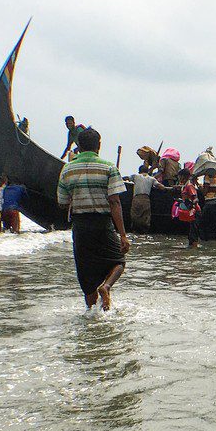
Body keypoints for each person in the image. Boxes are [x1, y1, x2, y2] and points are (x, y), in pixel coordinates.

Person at [57, 127, 130, 310]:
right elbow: (115, 203)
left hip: (81, 226)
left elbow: (62, 203)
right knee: (118, 261)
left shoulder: (67, 169)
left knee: (86, 276)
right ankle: (106, 287)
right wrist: (122, 235)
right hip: (103, 223)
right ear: (99, 145)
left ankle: (92, 316)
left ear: (79, 146)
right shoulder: (108, 168)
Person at [128, 165, 171, 233]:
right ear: (147, 171)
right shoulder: (151, 179)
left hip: (136, 198)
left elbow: (126, 178)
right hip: (146, 199)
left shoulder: (135, 176)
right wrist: (171, 188)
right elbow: (161, 187)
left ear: (139, 171)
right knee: (146, 216)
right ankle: (144, 232)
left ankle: (134, 231)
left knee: (135, 215)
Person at [175, 168, 201, 248]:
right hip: (189, 211)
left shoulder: (189, 186)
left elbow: (195, 198)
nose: (178, 178)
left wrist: (192, 204)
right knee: (191, 231)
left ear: (183, 176)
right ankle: (192, 248)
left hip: (194, 211)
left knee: (193, 232)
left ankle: (194, 248)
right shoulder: (185, 186)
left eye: (179, 176)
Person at [199, 168, 216, 241]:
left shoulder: (207, 177)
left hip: (209, 204)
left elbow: (204, 192)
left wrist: (200, 187)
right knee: (214, 229)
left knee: (203, 227)